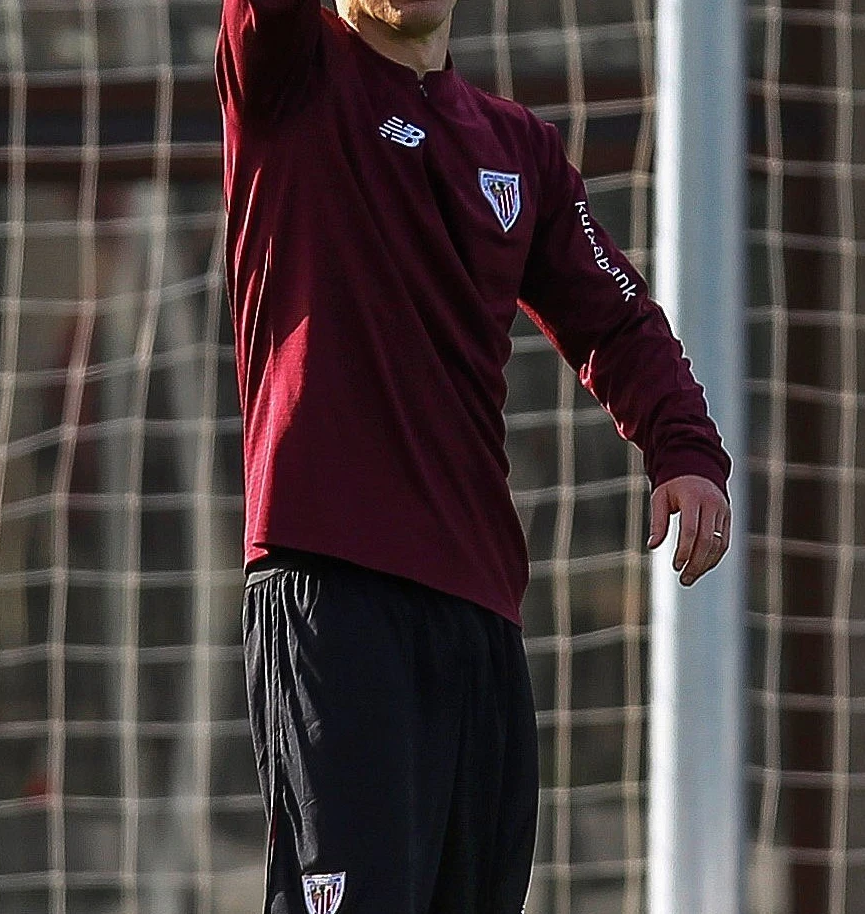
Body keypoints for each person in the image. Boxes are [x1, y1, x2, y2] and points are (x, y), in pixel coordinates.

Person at [216, 0, 733, 910]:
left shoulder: (516, 147)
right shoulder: (291, 76)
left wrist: (684, 447)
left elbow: (614, 318)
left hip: (478, 618)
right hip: (337, 593)